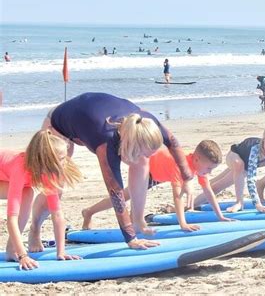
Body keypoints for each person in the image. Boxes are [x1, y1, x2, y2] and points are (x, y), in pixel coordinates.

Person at [36, 92, 192, 249]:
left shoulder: (148, 123)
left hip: (88, 113)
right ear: (130, 144)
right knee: (55, 186)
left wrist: (187, 179)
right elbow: (115, 192)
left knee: (142, 161)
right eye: (146, 150)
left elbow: (173, 143)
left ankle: (138, 220)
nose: (149, 155)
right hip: (58, 125)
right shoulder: (106, 144)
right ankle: (34, 233)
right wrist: (130, 238)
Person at [82, 140, 233, 231]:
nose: (209, 172)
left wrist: (220, 216)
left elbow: (209, 192)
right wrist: (183, 224)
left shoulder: (199, 169)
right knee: (125, 197)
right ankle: (89, 212)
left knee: (133, 209)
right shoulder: (179, 166)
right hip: (144, 169)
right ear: (197, 159)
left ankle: (127, 220)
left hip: (158, 174)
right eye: (209, 168)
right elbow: (177, 197)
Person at [0, 130, 83, 270]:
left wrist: (61, 252)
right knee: (27, 192)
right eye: (62, 158)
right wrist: (23, 256)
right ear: (47, 160)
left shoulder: (48, 173)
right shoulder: (20, 169)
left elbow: (57, 214)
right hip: (7, 174)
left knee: (27, 192)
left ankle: (11, 249)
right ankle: (16, 251)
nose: (66, 161)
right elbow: (11, 219)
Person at [194, 122, 265, 213]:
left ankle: (190, 205)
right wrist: (257, 204)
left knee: (218, 187)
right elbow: (251, 178)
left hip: (245, 165)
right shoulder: (255, 149)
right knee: (239, 165)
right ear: (264, 139)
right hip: (234, 156)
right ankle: (239, 202)